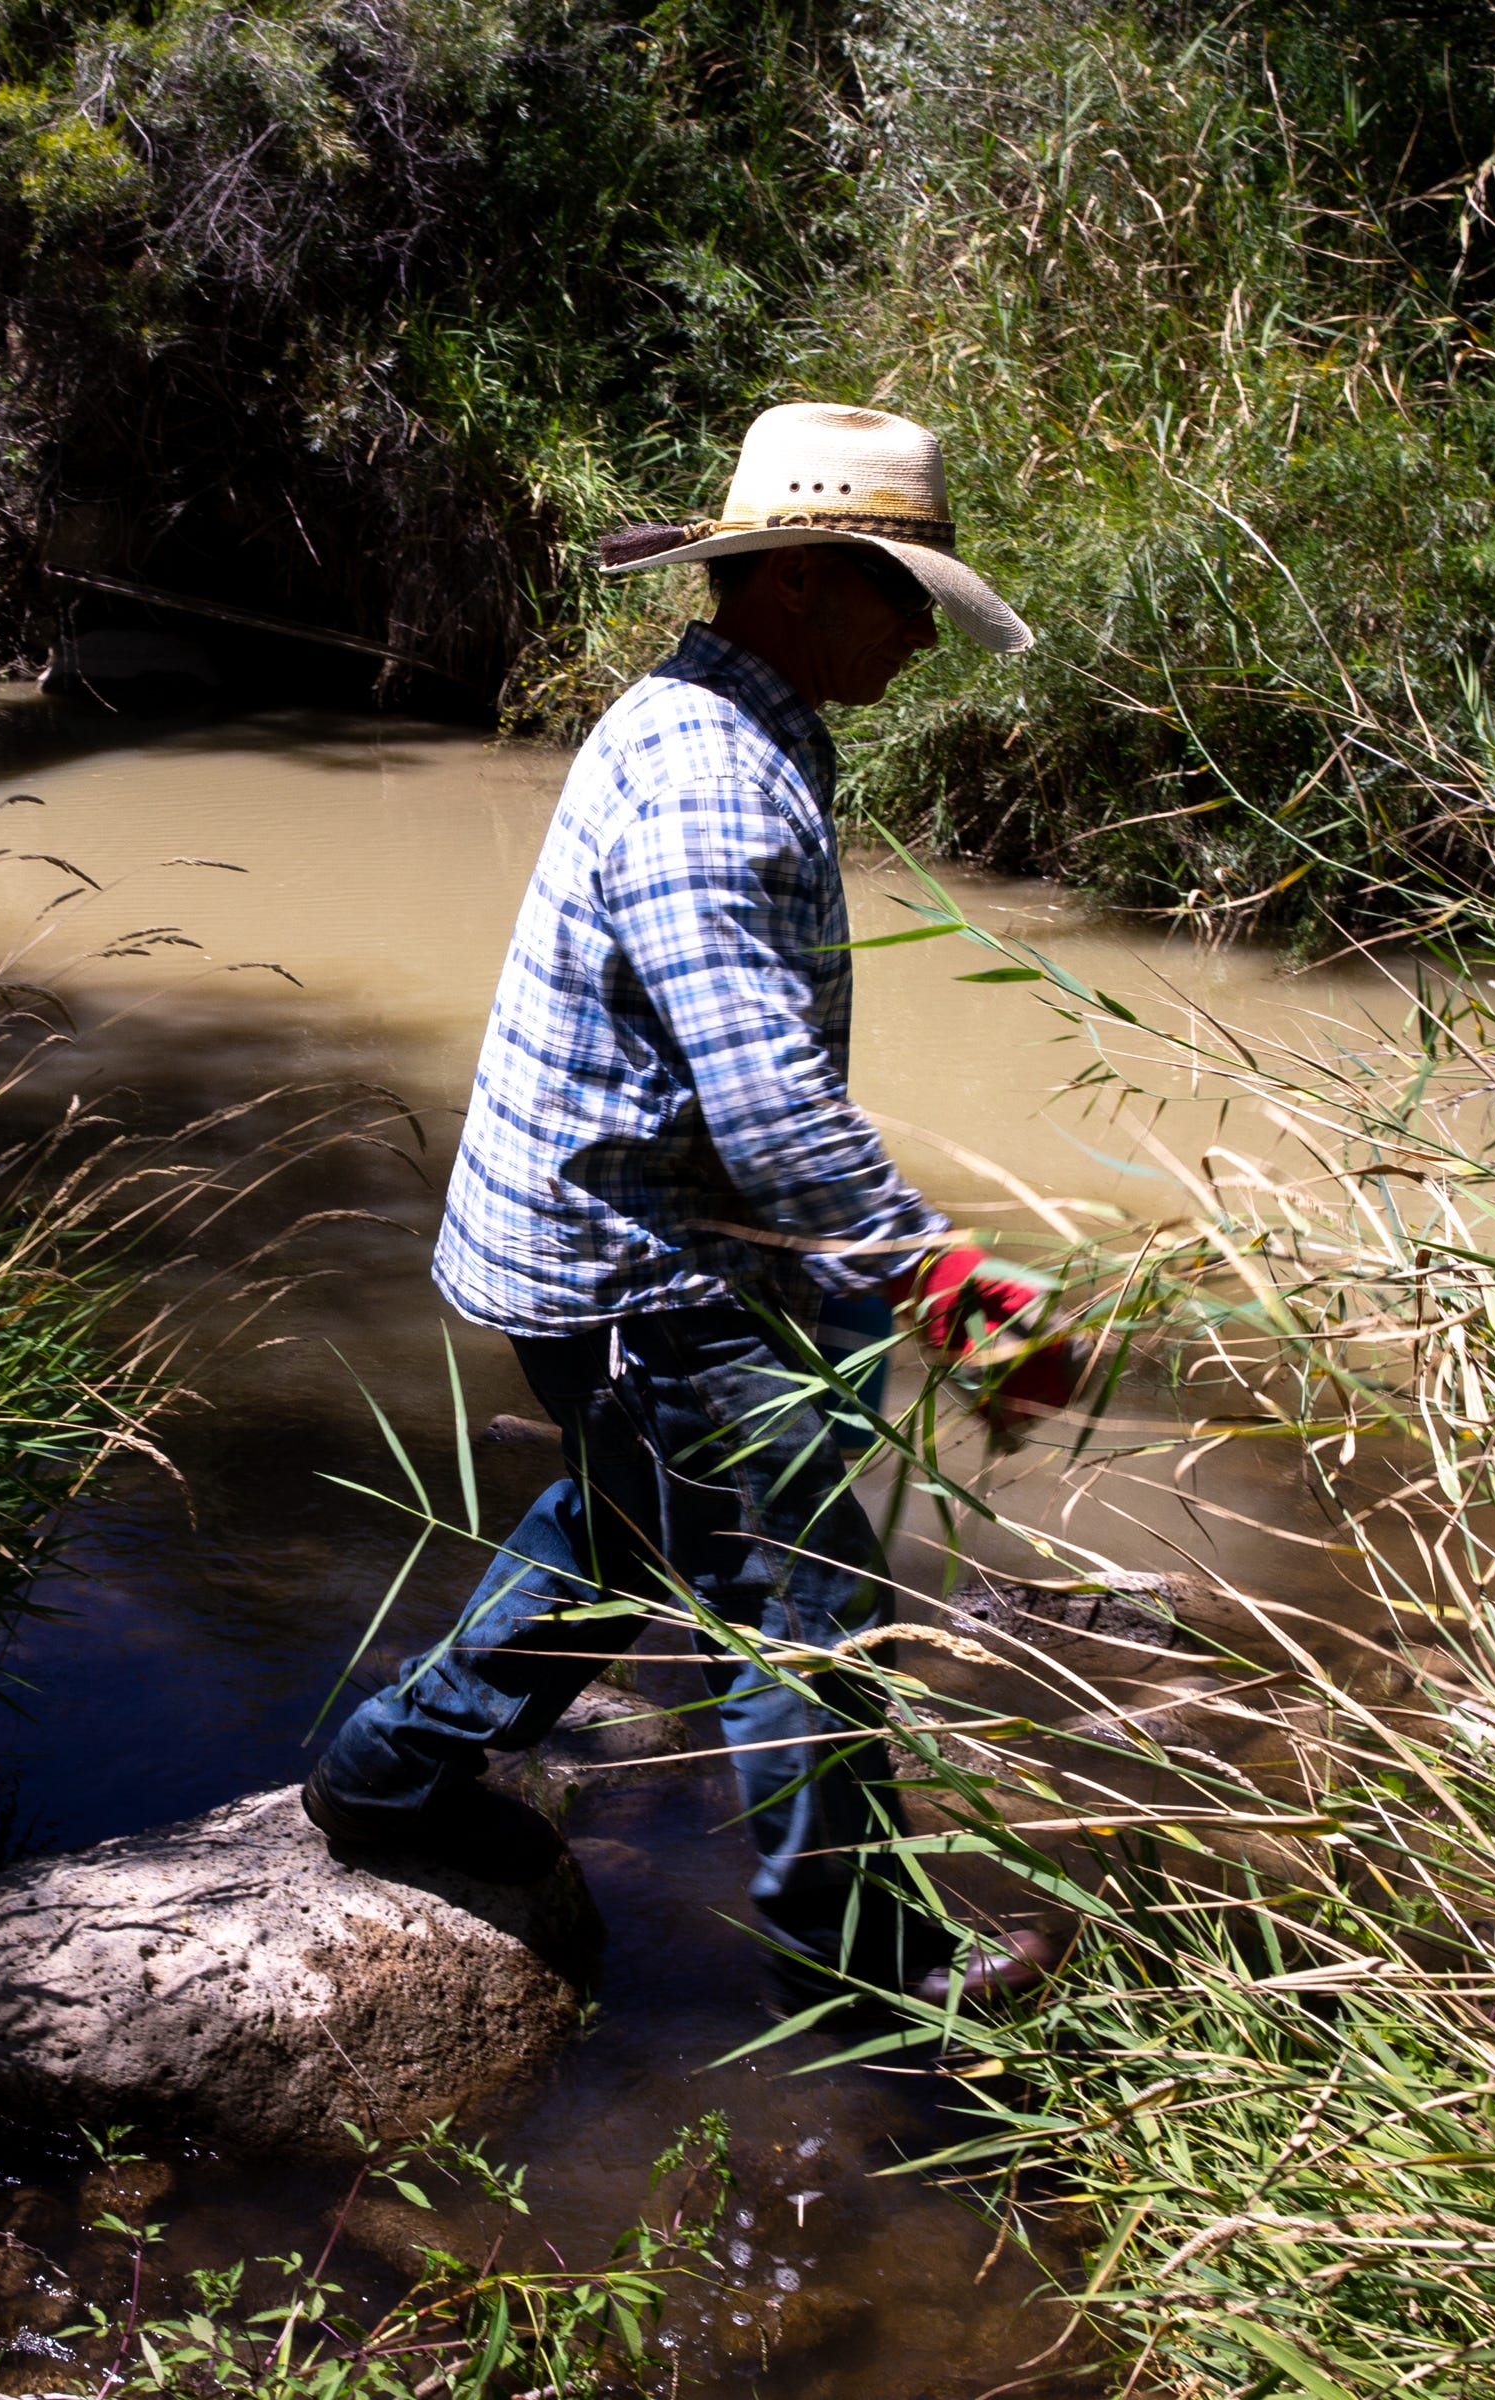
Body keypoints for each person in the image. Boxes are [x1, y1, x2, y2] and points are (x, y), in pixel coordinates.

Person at [302, 402, 1073, 2009]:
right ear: (796, 585)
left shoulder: (735, 721)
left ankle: (380, 1779)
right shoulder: (714, 772)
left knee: (623, 1532)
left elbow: (748, 1099)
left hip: (625, 1239)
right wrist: (950, 1290)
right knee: (808, 1606)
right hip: (642, 1265)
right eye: (902, 589)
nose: (925, 630)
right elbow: (768, 1102)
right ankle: (869, 1967)